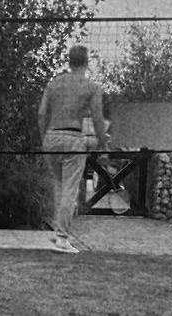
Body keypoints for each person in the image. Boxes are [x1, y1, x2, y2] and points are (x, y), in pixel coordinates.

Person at [37, 45, 108, 253]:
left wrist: (44, 139)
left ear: (69, 61)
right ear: (86, 63)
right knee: (69, 189)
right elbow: (97, 118)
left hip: (51, 136)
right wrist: (103, 143)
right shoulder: (91, 87)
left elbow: (42, 115)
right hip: (72, 138)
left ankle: (57, 230)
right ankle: (61, 237)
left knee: (58, 186)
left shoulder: (53, 84)